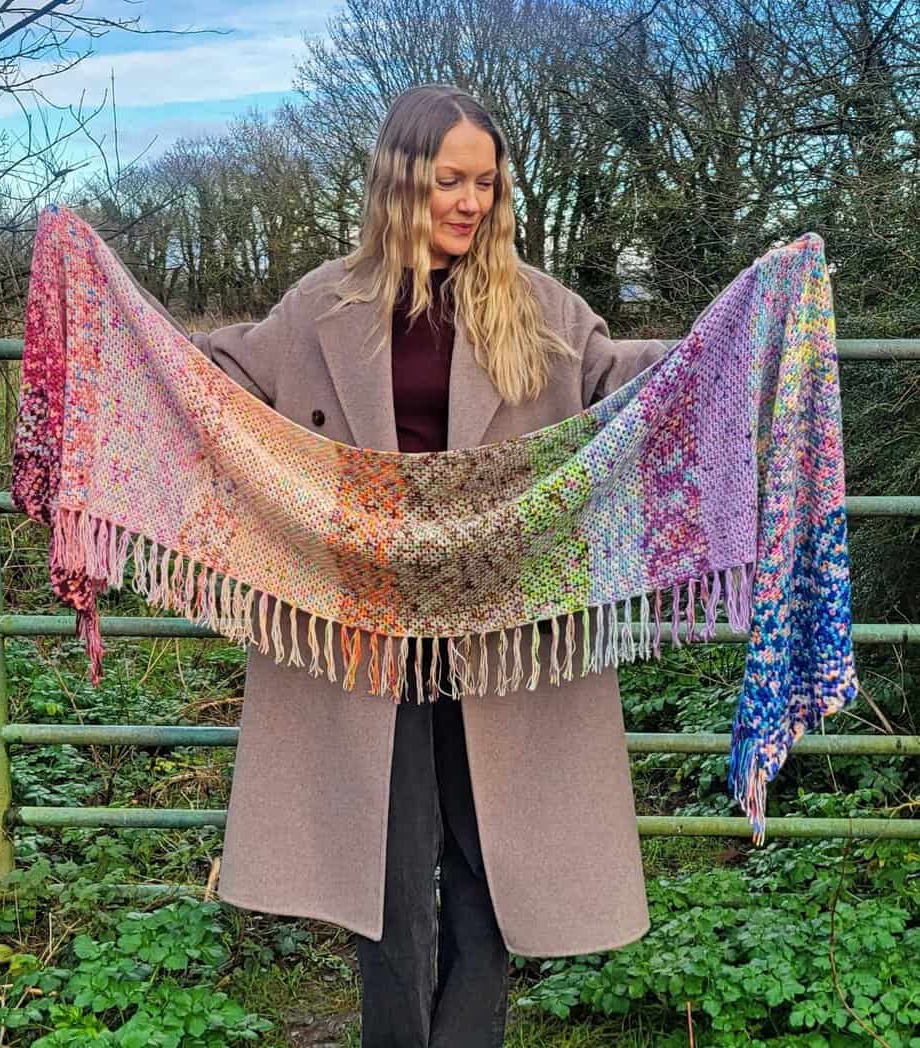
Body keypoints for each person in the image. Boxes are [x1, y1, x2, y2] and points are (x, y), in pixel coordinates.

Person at [122, 83, 669, 1048]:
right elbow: (220, 383)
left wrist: (742, 332)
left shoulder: (540, 307)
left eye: (486, 184)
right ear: (398, 181)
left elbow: (621, 386)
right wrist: (112, 319)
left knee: (488, 864)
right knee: (384, 869)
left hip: (501, 626)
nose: (469, 202)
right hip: (360, 622)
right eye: (447, 181)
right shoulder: (324, 304)